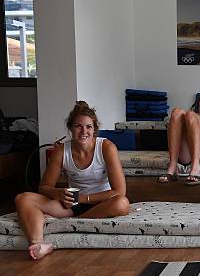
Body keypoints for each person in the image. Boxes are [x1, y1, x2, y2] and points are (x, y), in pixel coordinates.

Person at [14, 101, 130, 260]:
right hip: (72, 204)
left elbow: (119, 191)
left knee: (122, 203)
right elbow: (44, 187)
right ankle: (38, 244)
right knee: (23, 198)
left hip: (102, 203)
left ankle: (74, 222)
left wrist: (83, 198)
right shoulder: (61, 151)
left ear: (95, 129)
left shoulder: (106, 147)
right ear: (70, 128)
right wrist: (58, 193)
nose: (84, 131)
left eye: (89, 127)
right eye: (78, 126)